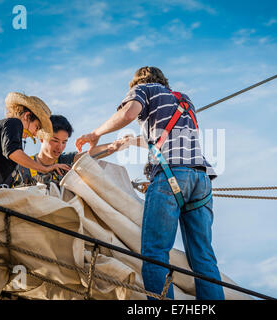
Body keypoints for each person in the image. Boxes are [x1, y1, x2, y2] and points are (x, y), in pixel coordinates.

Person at [75, 66, 224, 300]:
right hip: (201, 180)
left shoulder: (143, 90)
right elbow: (170, 137)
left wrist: (95, 134)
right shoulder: (184, 100)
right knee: (203, 258)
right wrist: (134, 141)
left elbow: (128, 114)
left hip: (170, 176)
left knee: (155, 253)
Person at [0, 92, 70, 192]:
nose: (35, 134)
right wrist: (45, 169)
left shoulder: (9, 129)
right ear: (27, 116)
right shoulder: (13, 122)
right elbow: (13, 152)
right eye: (37, 127)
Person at [17, 114, 129, 186]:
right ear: (42, 138)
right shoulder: (24, 166)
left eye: (64, 142)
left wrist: (115, 146)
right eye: (55, 140)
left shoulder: (66, 161)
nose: (60, 147)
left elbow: (89, 155)